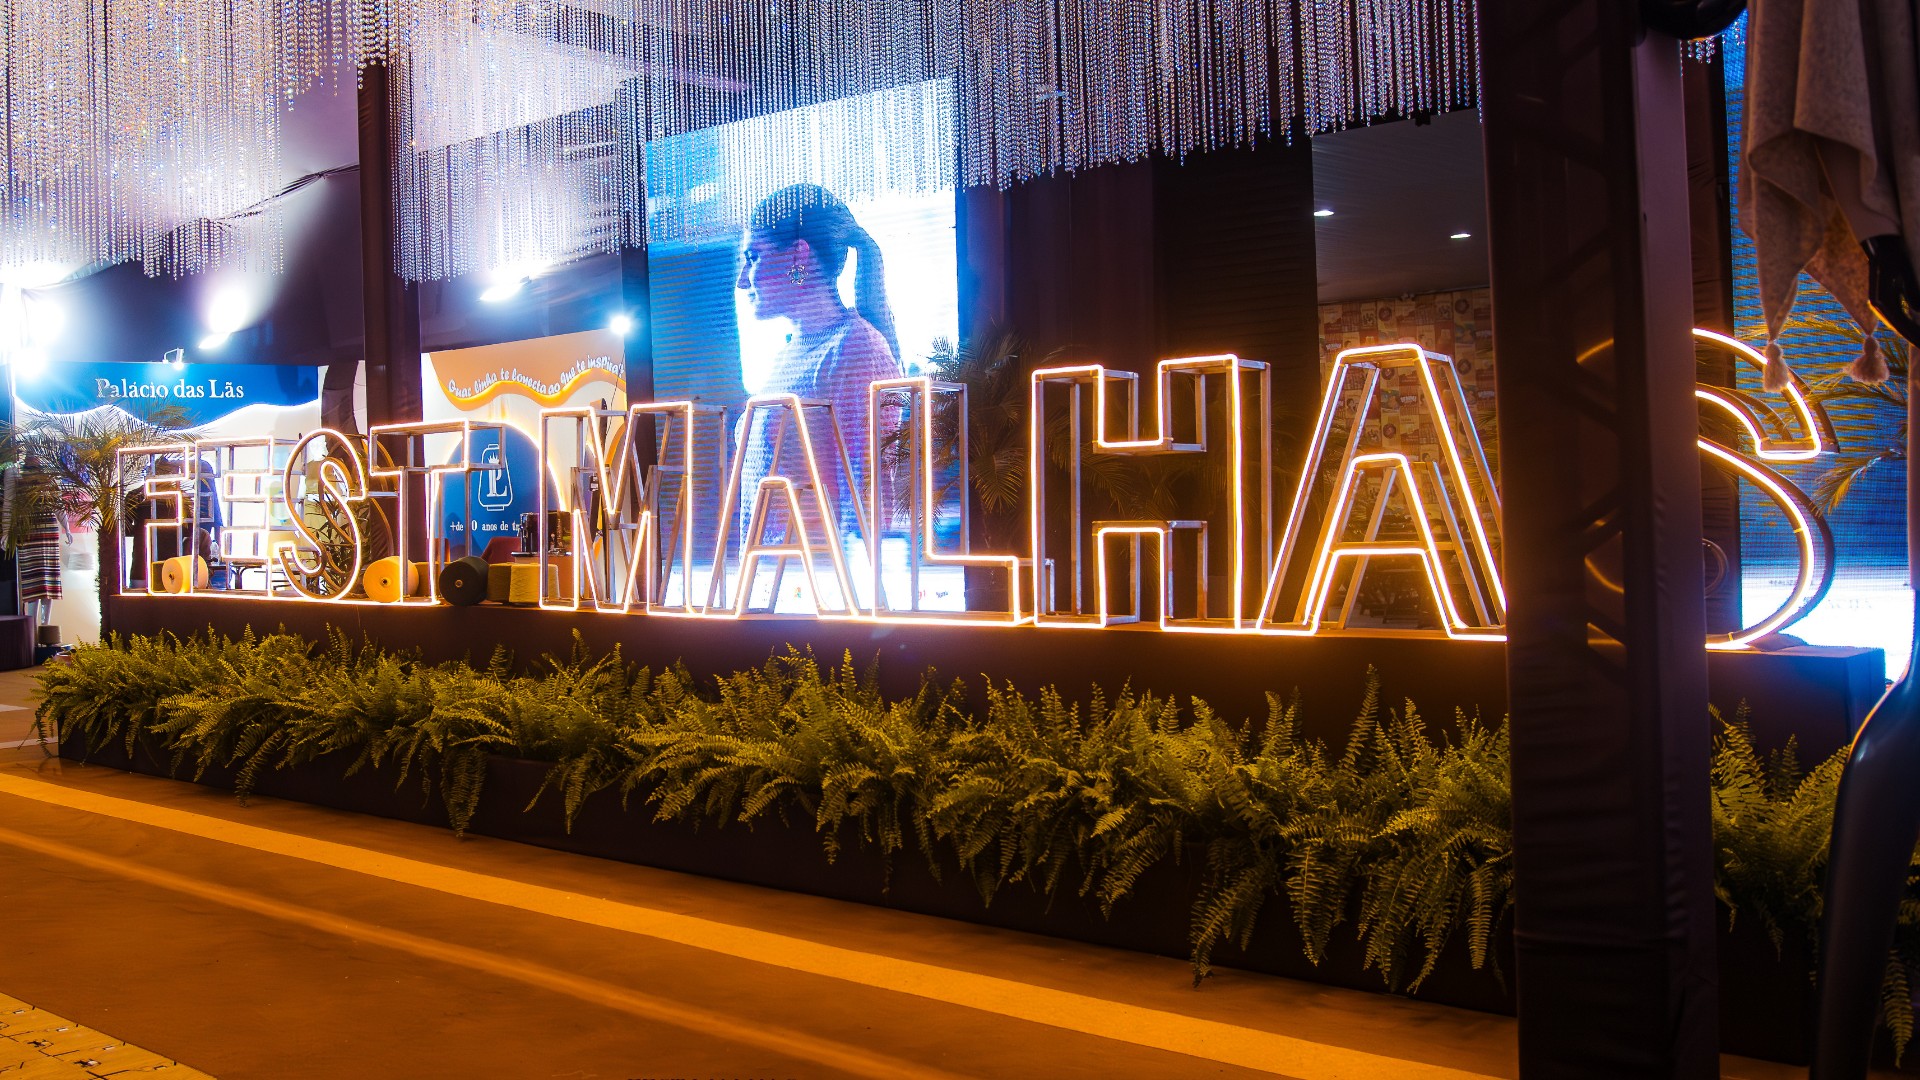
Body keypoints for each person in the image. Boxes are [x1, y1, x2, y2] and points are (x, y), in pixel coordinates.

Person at [732, 183, 903, 550]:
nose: (743, 281)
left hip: (820, 576)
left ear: (799, 256)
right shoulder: (787, 356)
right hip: (776, 573)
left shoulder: (855, 349)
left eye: (753, 257)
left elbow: (868, 496)